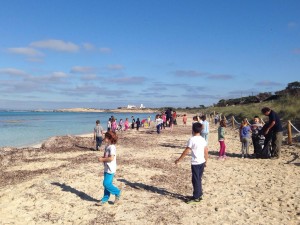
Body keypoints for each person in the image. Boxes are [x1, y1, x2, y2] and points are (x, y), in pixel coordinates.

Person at [175, 122, 208, 204]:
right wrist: (206, 161)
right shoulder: (202, 139)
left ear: (193, 130)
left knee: (195, 180)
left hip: (196, 163)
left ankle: (196, 197)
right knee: (198, 179)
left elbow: (186, 150)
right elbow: (206, 151)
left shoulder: (192, 139)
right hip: (202, 162)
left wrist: (179, 159)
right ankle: (199, 194)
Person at [97, 131, 121, 205]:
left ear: (110, 138)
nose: (104, 139)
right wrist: (103, 157)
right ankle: (105, 199)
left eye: (106, 137)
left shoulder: (112, 147)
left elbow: (111, 158)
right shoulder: (107, 146)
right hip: (106, 168)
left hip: (110, 169)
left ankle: (117, 192)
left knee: (106, 184)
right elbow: (107, 157)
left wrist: (102, 159)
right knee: (107, 185)